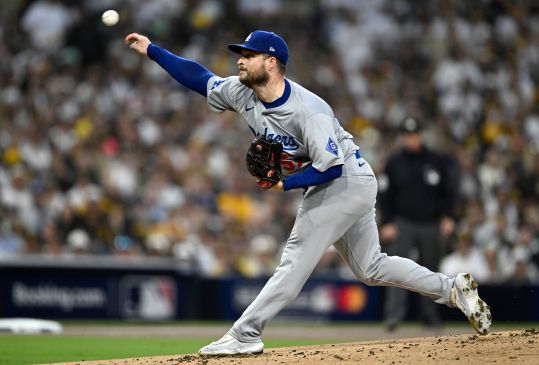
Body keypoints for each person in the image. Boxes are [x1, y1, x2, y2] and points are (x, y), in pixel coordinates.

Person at [124, 30, 491, 356]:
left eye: (248, 55)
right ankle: (453, 289)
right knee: (371, 266)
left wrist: (286, 183)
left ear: (271, 63)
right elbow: (199, 77)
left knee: (296, 258)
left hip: (345, 179)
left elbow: (330, 167)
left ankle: (245, 333)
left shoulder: (308, 110)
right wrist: (153, 50)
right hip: (347, 182)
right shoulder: (242, 92)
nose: (239, 59)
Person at [378, 117, 458, 331]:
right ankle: (393, 316)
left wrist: (449, 216)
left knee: (431, 270)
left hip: (431, 223)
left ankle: (430, 316)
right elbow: (385, 195)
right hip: (403, 224)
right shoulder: (394, 162)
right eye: (407, 135)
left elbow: (448, 192)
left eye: (414, 135)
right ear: (403, 137)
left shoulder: (436, 160)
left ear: (420, 135)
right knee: (397, 270)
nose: (411, 139)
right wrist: (387, 223)